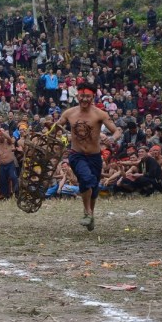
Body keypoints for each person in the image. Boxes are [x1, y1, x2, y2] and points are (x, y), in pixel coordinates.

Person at [56, 82, 122, 231]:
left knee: (93, 186)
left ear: (93, 97)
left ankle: (91, 214)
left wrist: (111, 139)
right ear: (77, 96)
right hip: (76, 154)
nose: (84, 99)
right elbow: (56, 128)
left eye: (88, 96)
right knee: (86, 179)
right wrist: (51, 131)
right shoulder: (69, 113)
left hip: (94, 156)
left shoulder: (100, 114)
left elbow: (116, 131)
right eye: (82, 96)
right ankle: (87, 212)